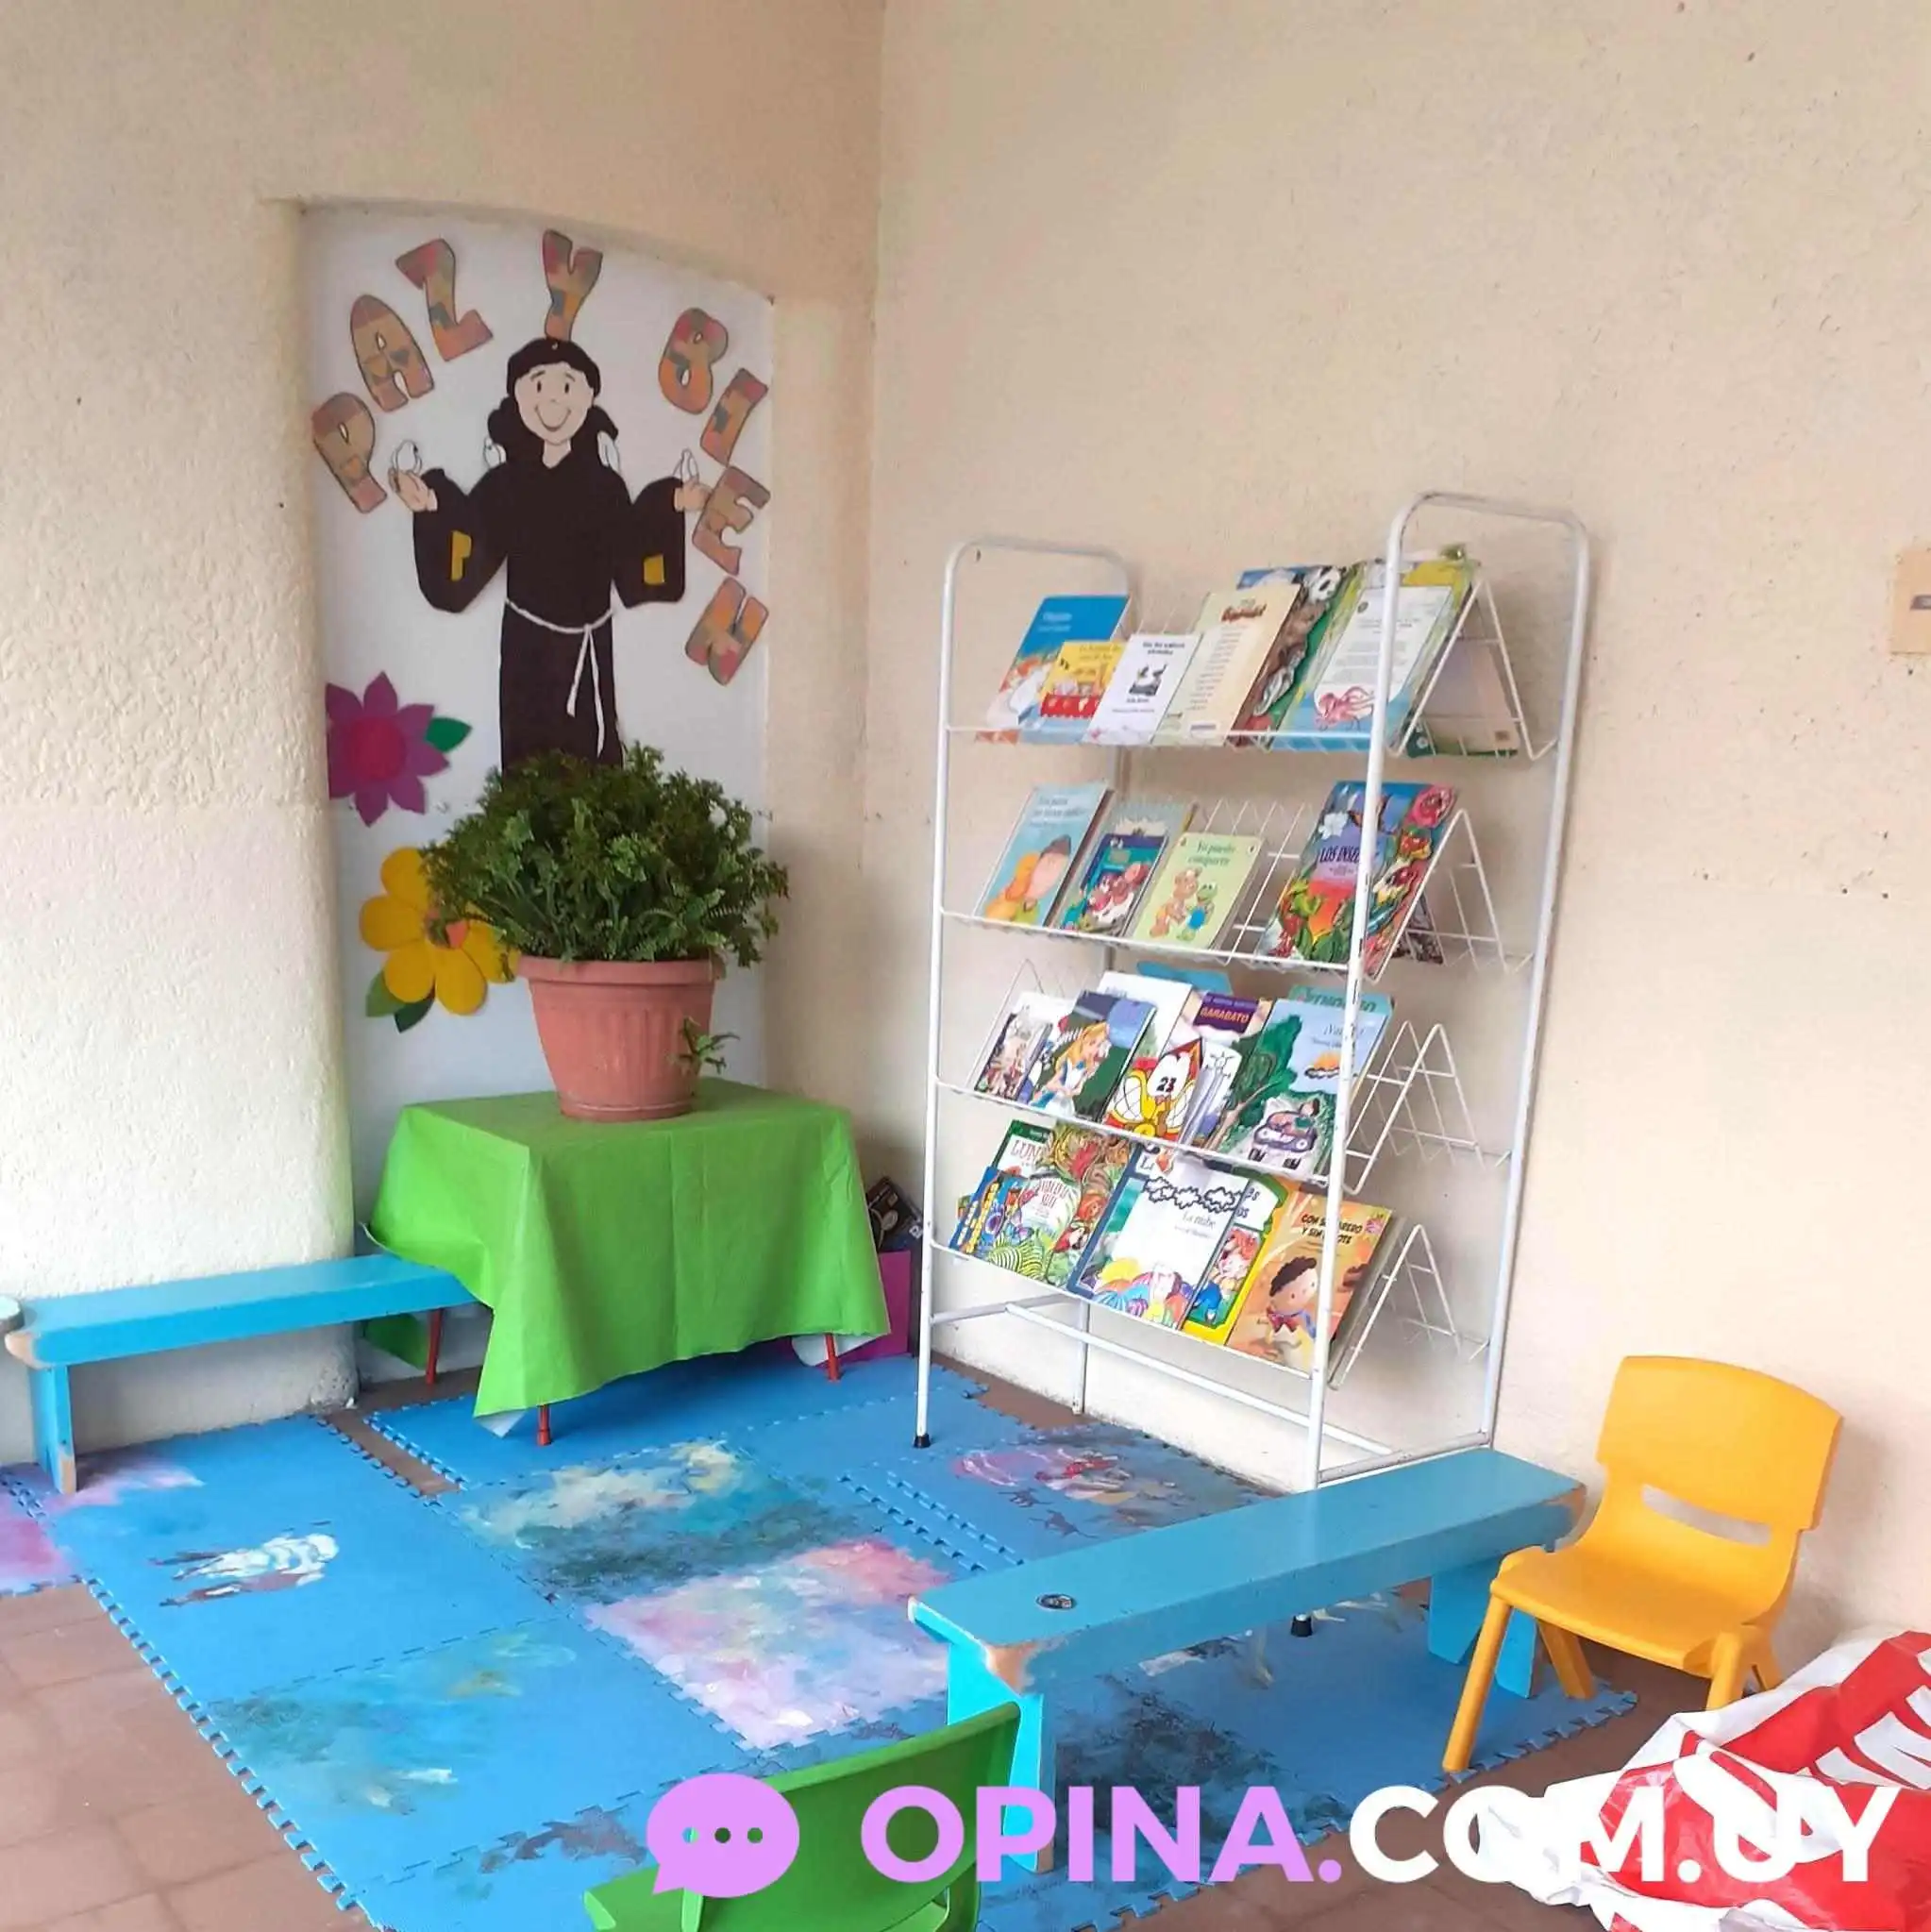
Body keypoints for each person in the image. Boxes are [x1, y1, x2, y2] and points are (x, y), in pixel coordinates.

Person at [394, 338, 710, 768]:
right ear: (518, 398)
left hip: (589, 641)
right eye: (539, 386)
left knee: (592, 756)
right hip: (528, 644)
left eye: (567, 386)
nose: (553, 401)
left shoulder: (604, 485)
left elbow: (631, 546)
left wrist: (671, 501)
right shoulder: (507, 483)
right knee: (529, 753)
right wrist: (433, 504)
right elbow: (473, 531)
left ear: (588, 396)